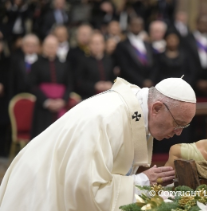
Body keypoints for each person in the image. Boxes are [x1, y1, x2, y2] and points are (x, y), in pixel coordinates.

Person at [0, 77, 196, 210]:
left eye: (184, 127)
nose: (178, 133)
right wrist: (141, 182)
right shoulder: (107, 119)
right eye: (178, 124)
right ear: (156, 108)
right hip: (40, 192)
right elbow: (86, 191)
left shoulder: (134, 109)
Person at [28, 35, 71, 138]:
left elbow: (70, 85)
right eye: (48, 46)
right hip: (43, 107)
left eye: (53, 46)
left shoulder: (64, 65)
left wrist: (63, 101)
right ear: (43, 47)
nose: (51, 48)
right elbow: (32, 85)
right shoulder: (36, 65)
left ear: (57, 47)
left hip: (61, 106)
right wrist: (47, 102)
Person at [114, 17, 154, 88]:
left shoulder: (148, 44)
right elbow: (125, 66)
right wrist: (141, 81)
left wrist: (151, 79)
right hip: (131, 84)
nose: (137, 26)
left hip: (149, 84)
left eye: (139, 24)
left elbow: (154, 63)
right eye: (134, 24)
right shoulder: (122, 45)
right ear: (129, 26)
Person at [184, 15, 207, 97]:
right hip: (192, 81)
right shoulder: (187, 39)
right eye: (202, 23)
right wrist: (196, 81)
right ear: (197, 24)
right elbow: (186, 61)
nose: (205, 25)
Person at [76, 32, 115, 99]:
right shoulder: (83, 61)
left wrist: (111, 84)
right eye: (94, 43)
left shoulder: (109, 60)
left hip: (109, 96)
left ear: (104, 45)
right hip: (90, 97)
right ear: (89, 45)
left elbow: (115, 78)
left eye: (99, 43)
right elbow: (79, 82)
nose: (97, 46)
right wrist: (94, 86)